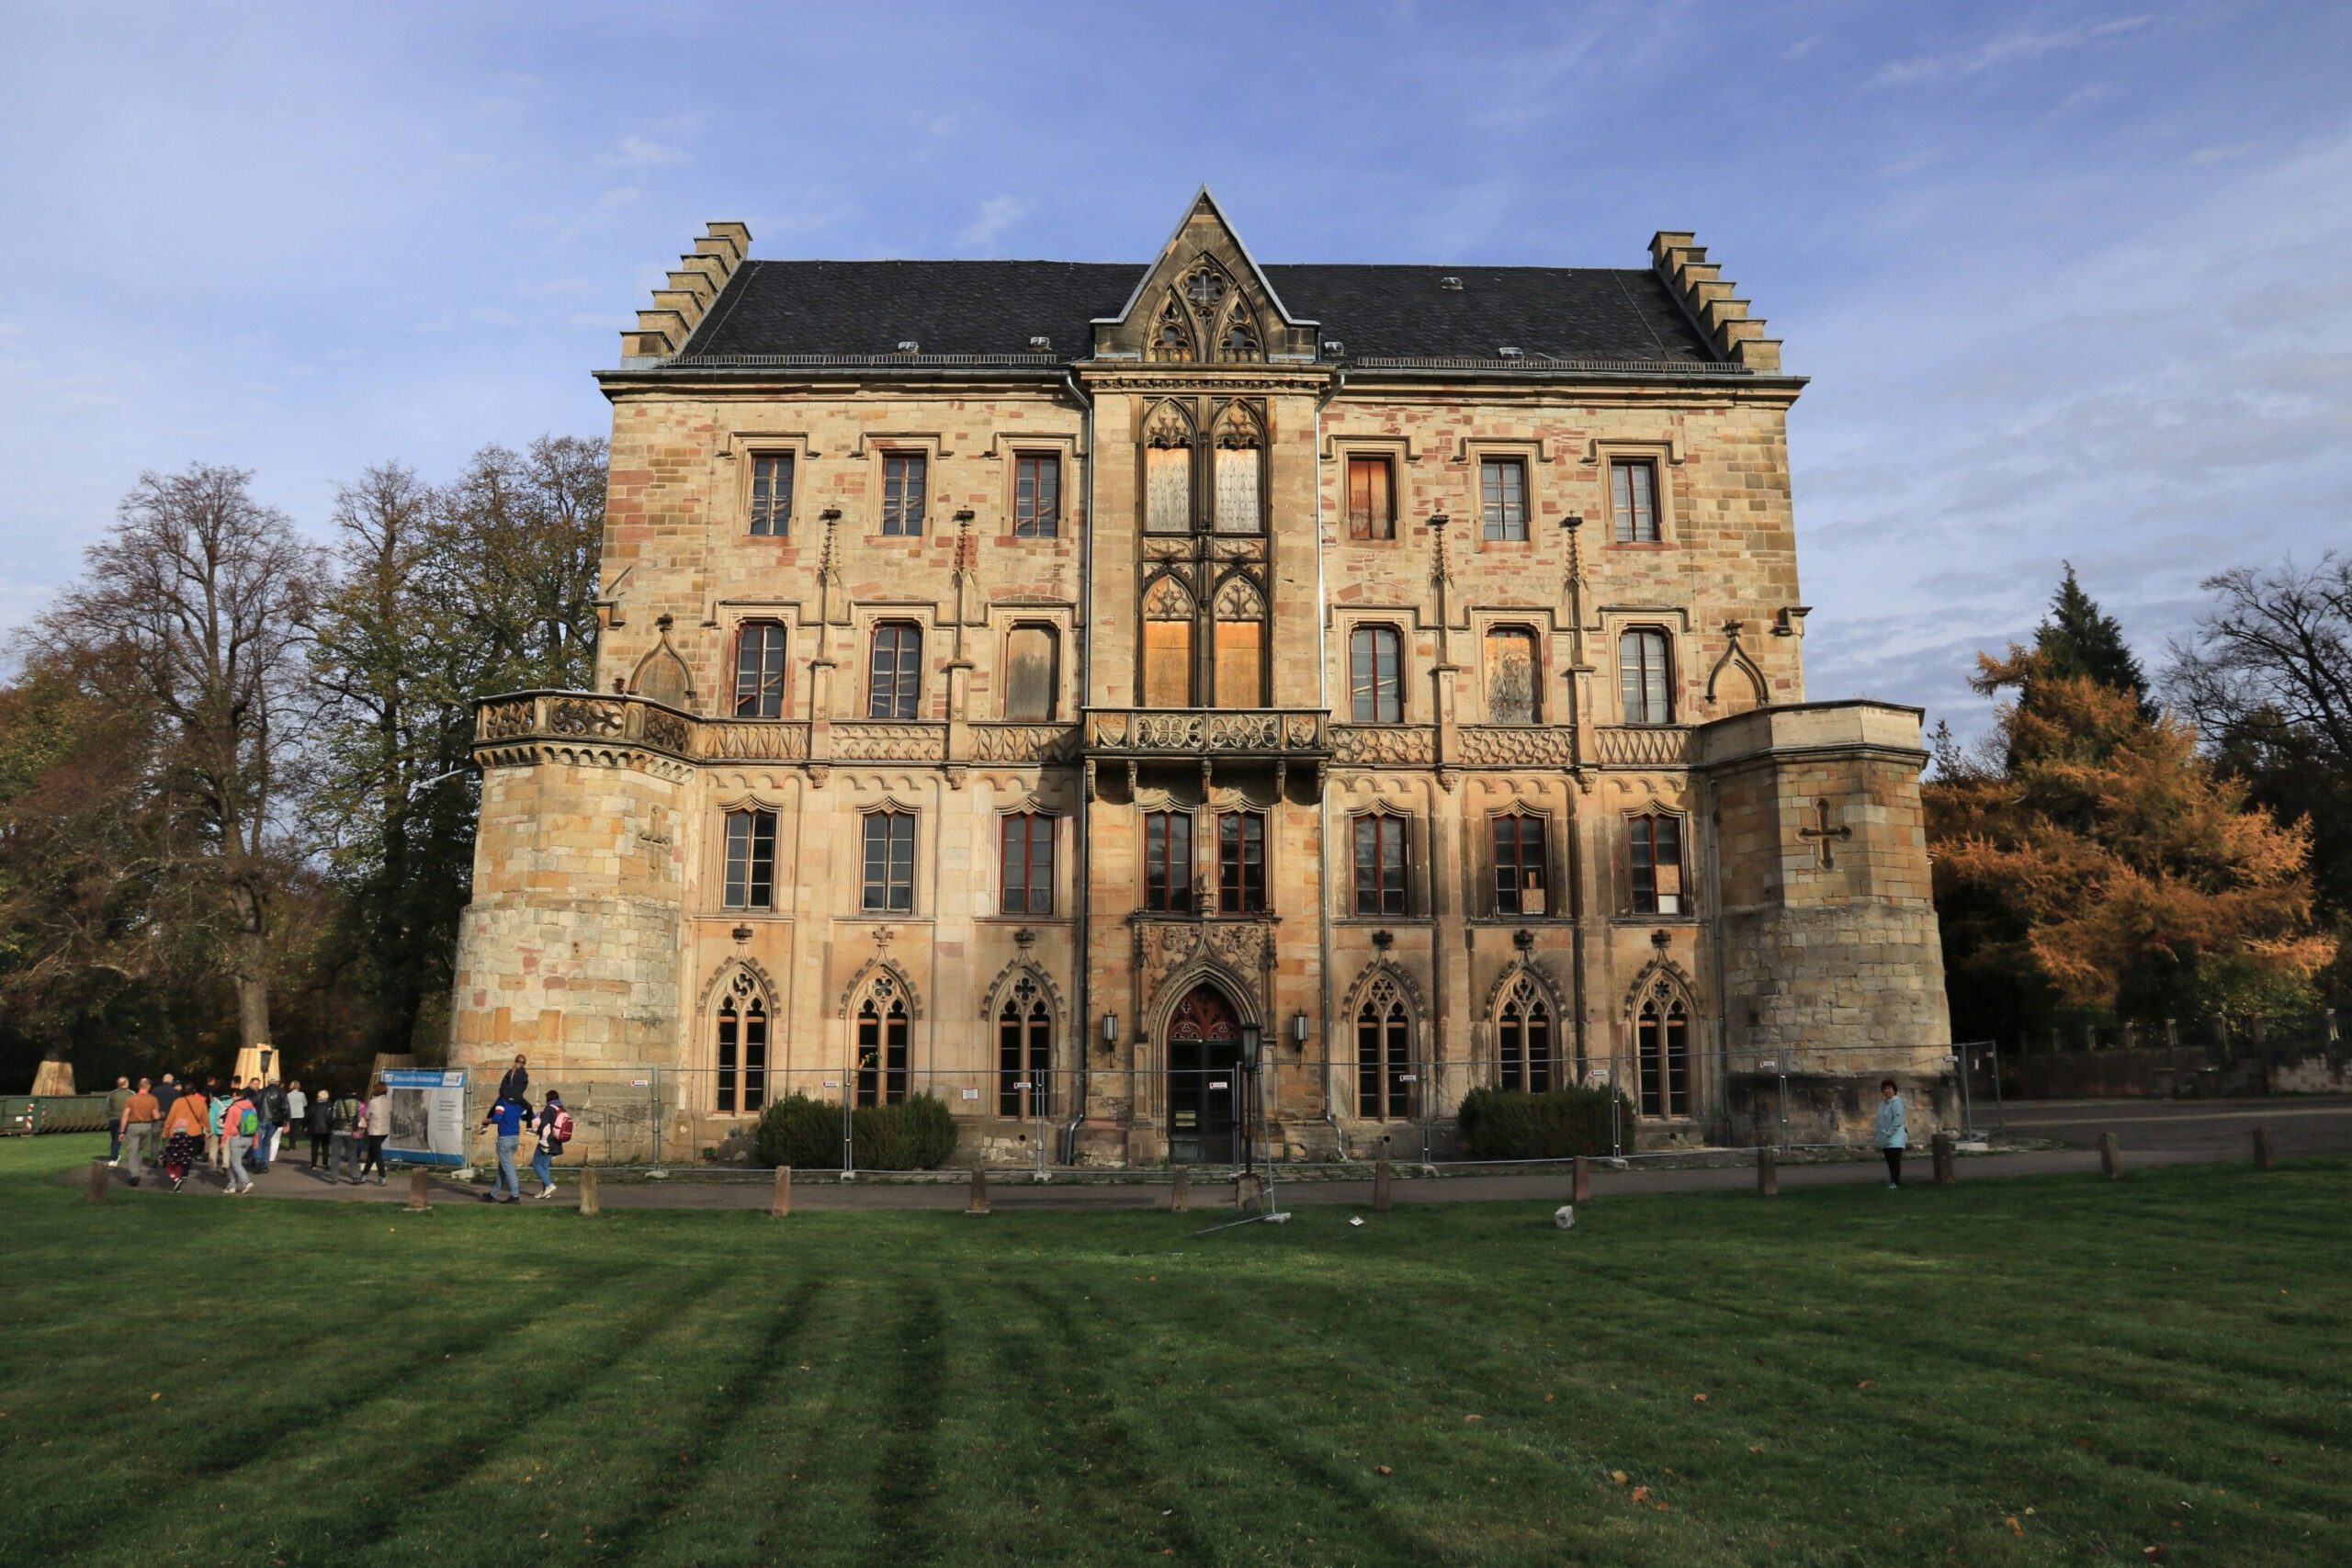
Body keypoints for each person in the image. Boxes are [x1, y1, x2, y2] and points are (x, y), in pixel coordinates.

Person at [160, 1085, 209, 1193]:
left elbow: (171, 1117)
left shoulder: (178, 1102)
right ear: (194, 1091)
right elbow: (205, 1117)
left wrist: (166, 1129)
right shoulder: (200, 1102)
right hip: (194, 1131)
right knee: (189, 1154)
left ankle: (178, 1174)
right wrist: (208, 1129)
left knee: (178, 1153)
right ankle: (184, 1173)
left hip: (180, 1131)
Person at [481, 1094, 527, 1203]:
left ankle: (515, 1196)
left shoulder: (502, 1102)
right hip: (515, 1138)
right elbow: (526, 1115)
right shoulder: (518, 1104)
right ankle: (493, 1194)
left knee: (508, 1168)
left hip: (505, 1139)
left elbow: (497, 1118)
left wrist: (486, 1121)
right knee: (503, 1168)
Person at [117, 1077, 160, 1184]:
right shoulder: (153, 1099)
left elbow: (125, 1115)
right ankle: (137, 1170)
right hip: (147, 1126)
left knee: (132, 1150)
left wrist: (122, 1131)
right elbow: (156, 1116)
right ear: (149, 1086)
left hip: (133, 1125)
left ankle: (134, 1174)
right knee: (140, 1150)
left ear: (139, 1086)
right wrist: (162, 1114)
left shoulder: (132, 1099)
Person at [221, 1083, 259, 1196]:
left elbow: (228, 1125)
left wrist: (223, 1140)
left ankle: (247, 1182)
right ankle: (232, 1186)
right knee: (236, 1162)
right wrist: (255, 1141)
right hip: (249, 1138)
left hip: (236, 1138)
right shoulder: (252, 1108)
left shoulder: (233, 1108)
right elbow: (256, 1126)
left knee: (235, 1162)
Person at [529, 1091, 568, 1199]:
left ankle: (549, 1185)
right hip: (556, 1141)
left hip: (547, 1141)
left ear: (548, 1098)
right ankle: (545, 1191)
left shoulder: (549, 1108)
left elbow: (544, 1124)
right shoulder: (561, 1108)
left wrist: (535, 1131)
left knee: (536, 1164)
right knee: (545, 1166)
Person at [1874, 1078, 1908, 1189]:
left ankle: (1896, 1181)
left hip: (1895, 1138)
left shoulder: (1897, 1103)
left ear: (1894, 1090)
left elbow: (1897, 1121)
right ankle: (1893, 1179)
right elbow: (1880, 1119)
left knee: (1895, 1161)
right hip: (1885, 1137)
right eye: (1885, 1089)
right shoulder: (1882, 1104)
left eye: (1889, 1088)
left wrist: (1890, 1133)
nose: (1887, 1091)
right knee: (1890, 1161)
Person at [360, 1079, 391, 1185]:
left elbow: (367, 1115)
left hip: (375, 1130)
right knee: (372, 1153)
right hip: (385, 1131)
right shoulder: (388, 1101)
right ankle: (364, 1175)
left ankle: (382, 1177)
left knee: (377, 1155)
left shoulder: (373, 1102)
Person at [332, 1086, 365, 1184]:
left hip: (337, 1130)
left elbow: (333, 1116)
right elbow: (359, 1117)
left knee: (335, 1154)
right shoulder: (358, 1103)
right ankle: (355, 1177)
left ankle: (334, 1178)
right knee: (352, 1154)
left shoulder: (337, 1102)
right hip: (351, 1131)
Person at [105, 1077, 132, 1164]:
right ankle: (113, 1158)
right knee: (118, 1138)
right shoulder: (131, 1094)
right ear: (126, 1083)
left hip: (113, 1118)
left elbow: (107, 1106)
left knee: (114, 1139)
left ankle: (114, 1155)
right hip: (125, 1119)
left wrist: (110, 1115)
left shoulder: (112, 1094)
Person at [306, 1087, 334, 1168]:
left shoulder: (313, 1106)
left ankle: (313, 1164)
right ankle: (325, 1163)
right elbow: (331, 1118)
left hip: (315, 1128)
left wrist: (306, 1126)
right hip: (326, 1129)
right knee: (325, 1147)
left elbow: (307, 1117)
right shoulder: (330, 1106)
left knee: (314, 1147)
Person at [207, 1083, 231, 1171]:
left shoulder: (214, 1104)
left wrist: (209, 1131)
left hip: (216, 1129)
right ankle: (226, 1166)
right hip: (227, 1129)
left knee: (213, 1148)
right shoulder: (232, 1103)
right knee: (226, 1148)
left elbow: (211, 1118)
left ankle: (212, 1168)